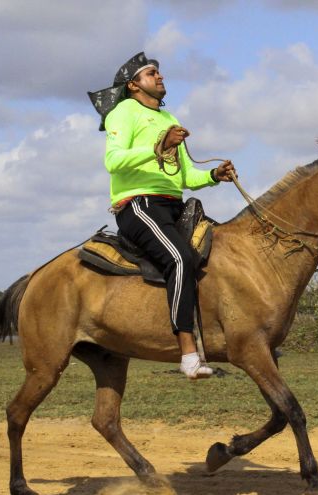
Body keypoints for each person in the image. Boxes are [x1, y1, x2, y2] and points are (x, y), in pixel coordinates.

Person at [88, 52, 235, 380]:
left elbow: (183, 178)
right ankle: (187, 355)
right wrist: (158, 146)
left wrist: (213, 176)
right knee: (181, 260)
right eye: (151, 73)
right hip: (138, 206)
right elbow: (113, 161)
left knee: (222, 252)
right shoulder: (124, 112)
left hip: (173, 205)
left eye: (159, 72)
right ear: (134, 85)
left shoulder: (170, 119)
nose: (160, 77)